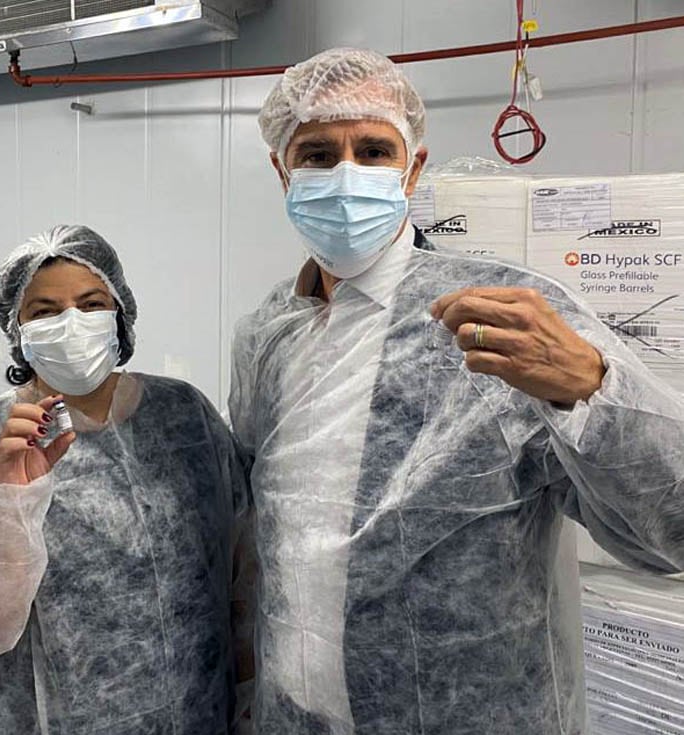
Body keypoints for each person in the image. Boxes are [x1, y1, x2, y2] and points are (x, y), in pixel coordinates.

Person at [230, 48, 684, 733]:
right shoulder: (268, 336)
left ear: (412, 168)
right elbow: (265, 538)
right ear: (281, 170)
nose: (345, 173)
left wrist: (590, 389)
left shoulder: (509, 314)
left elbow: (670, 534)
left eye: (374, 150)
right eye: (317, 153)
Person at [0, 225, 253, 734]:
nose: (72, 324)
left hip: (195, 715)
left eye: (91, 304)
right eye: (44, 312)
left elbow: (244, 572)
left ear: (120, 315)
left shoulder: (185, 419)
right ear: (17, 331)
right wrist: (7, 502)